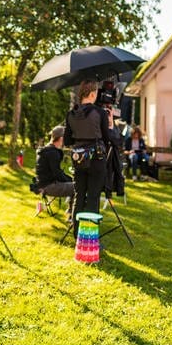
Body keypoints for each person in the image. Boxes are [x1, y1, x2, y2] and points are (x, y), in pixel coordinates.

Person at [64, 80, 111, 239]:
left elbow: (67, 141)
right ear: (92, 94)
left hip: (78, 159)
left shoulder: (71, 114)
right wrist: (109, 125)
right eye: (96, 93)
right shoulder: (100, 113)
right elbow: (107, 138)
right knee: (92, 196)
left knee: (79, 195)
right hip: (96, 159)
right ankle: (89, 238)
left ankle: (77, 235)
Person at [34, 126, 74, 199]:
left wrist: (70, 179)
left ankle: (71, 209)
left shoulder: (46, 150)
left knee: (74, 183)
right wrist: (70, 181)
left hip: (42, 184)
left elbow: (56, 172)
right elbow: (57, 173)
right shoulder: (53, 153)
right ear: (61, 138)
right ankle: (72, 209)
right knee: (79, 187)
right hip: (48, 186)